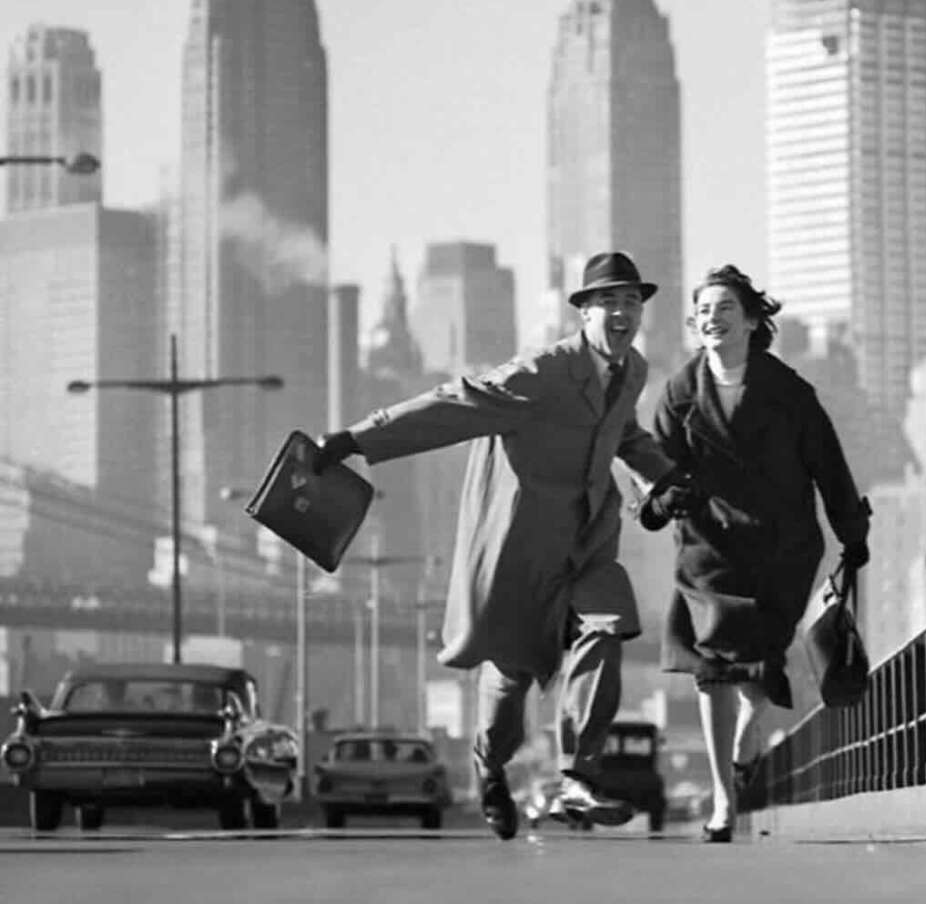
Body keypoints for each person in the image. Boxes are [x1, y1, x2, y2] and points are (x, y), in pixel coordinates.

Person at [313, 251, 692, 841]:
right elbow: (454, 405)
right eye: (610, 302)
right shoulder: (541, 372)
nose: (624, 313)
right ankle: (490, 766)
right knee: (511, 683)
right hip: (522, 552)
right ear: (583, 313)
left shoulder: (633, 371)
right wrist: (355, 439)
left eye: (632, 303)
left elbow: (626, 435)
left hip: (590, 544)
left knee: (608, 627)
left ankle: (578, 778)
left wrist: (663, 476)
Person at [636, 264, 870, 843]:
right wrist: (660, 500)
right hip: (707, 548)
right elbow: (652, 464)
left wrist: (852, 533)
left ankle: (745, 741)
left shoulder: (789, 393)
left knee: (760, 671)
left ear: (751, 321)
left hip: (781, 549)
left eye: (725, 309)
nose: (712, 319)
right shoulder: (680, 393)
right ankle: (724, 799)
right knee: (711, 670)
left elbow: (828, 466)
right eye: (704, 311)